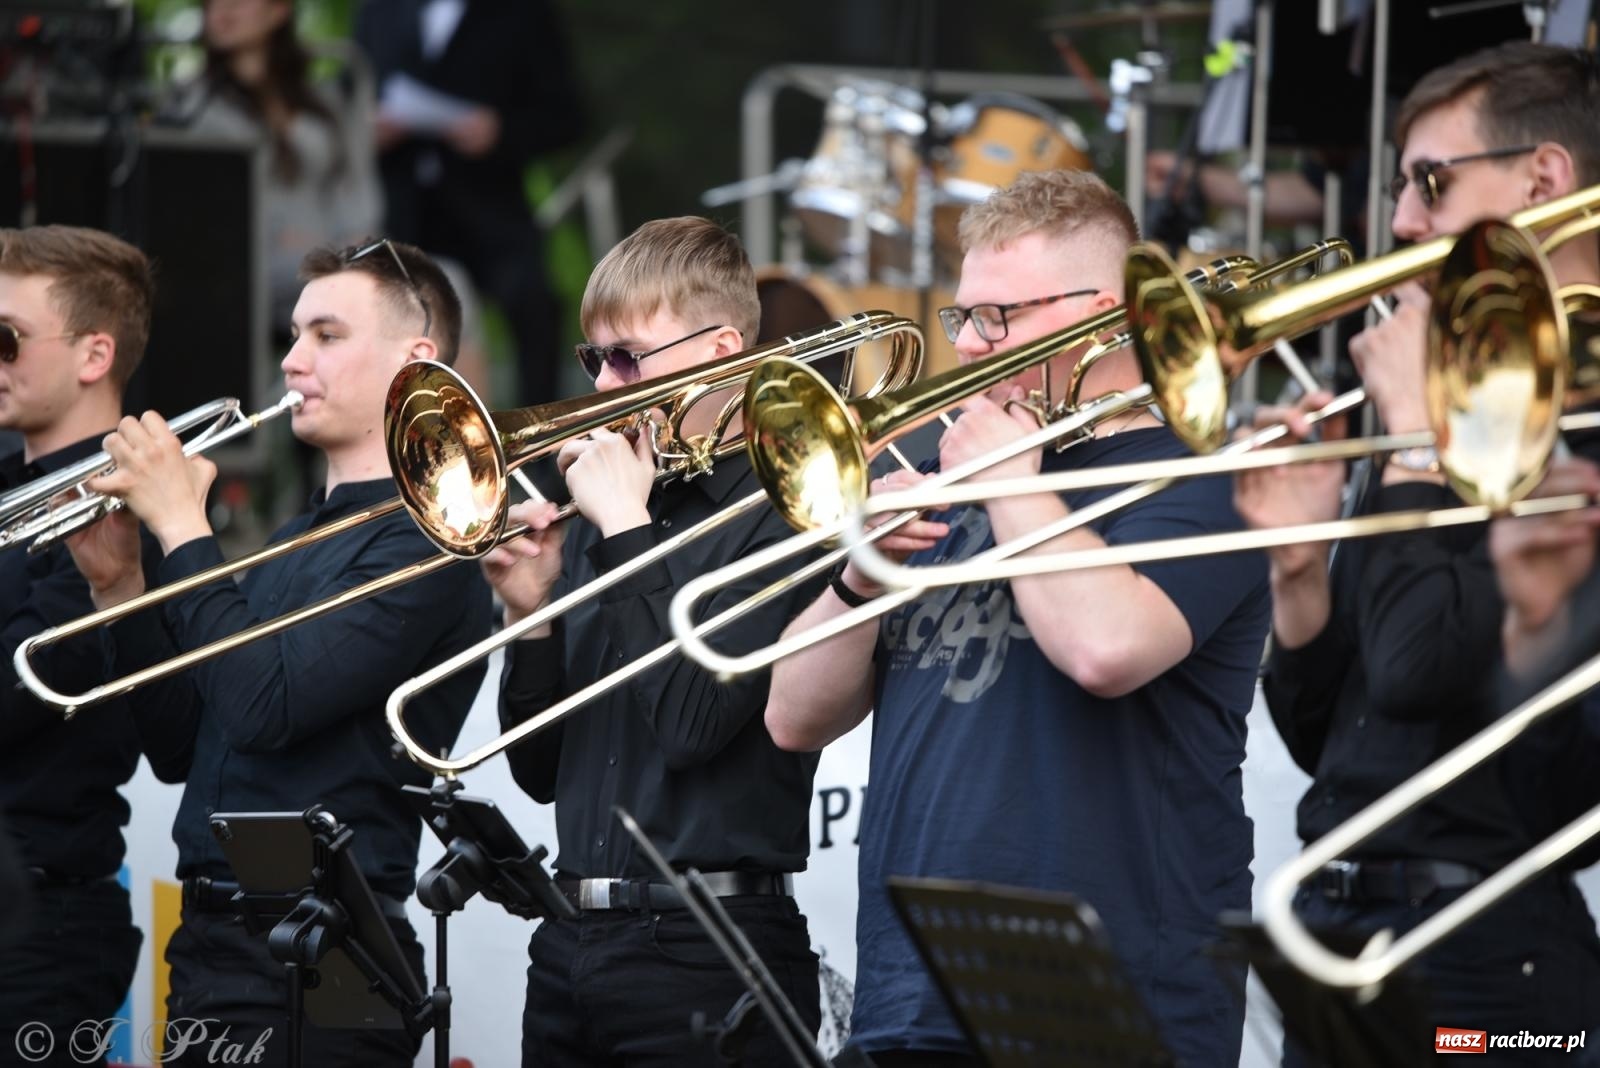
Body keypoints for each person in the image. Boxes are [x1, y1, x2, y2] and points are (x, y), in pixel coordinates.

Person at [765, 169, 1272, 1066]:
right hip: (909, 993)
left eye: (1001, 318)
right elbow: (793, 717)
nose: (968, 346)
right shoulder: (955, 472)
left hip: (1112, 1008)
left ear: (1110, 316)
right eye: (963, 316)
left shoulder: (1204, 476)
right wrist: (858, 576)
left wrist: (1012, 483)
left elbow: (1106, 649)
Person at [1237, 42, 1600, 1062]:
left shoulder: (1572, 418)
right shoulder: (1436, 402)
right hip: (1345, 922)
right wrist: (1298, 574)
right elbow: (1338, 741)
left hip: (1485, 951)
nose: (1400, 221)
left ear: (1543, 181)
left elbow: (1416, 673)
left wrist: (1406, 451)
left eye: (1430, 182)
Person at [65, 237, 491, 1067]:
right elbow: (183, 743)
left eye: (327, 336)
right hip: (210, 944)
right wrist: (123, 591)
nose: (292, 361)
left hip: (327, 956)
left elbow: (266, 709)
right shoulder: (289, 540)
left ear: (417, 360)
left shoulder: (431, 543)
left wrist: (184, 528)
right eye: (294, 336)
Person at [483, 216, 824, 1067]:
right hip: (570, 944)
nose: (603, 387)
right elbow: (538, 768)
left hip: (710, 951)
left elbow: (692, 724)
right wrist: (532, 615)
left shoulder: (784, 512)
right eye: (592, 359)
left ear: (720, 353)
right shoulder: (620, 514)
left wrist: (627, 529)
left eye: (629, 358)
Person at [0, 226, 154, 1068]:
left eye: (6, 337)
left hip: (42, 928)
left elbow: (25, 683)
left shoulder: (130, 506)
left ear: (95, 354)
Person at [354, 0, 584, 405]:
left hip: (491, 207)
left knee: (535, 307)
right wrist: (367, 128)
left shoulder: (523, 14)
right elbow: (349, 97)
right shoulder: (380, 11)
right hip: (400, 211)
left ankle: (539, 444)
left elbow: (565, 116)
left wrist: (500, 132)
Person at [166, 0, 383, 328]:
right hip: (255, 260)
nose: (223, 11)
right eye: (210, 3)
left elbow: (353, 186)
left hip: (337, 248)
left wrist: (354, 240)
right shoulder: (191, 106)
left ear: (278, 9)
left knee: (445, 285)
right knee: (367, 300)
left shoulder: (321, 101)